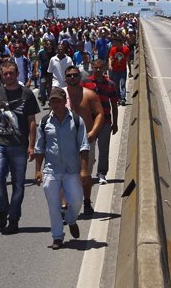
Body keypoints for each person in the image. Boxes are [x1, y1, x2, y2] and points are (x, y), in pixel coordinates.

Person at [0, 61, 39, 234]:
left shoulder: (26, 94)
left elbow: (32, 122)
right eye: (5, 74)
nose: (8, 76)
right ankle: (3, 208)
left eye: (11, 73)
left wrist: (31, 145)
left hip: (19, 146)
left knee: (18, 185)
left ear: (17, 73)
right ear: (1, 74)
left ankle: (14, 219)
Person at [34, 87, 91, 249]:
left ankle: (72, 219)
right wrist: (38, 170)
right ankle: (57, 237)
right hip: (52, 170)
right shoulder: (45, 122)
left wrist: (84, 169)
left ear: (64, 101)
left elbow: (84, 146)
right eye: (52, 101)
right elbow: (40, 148)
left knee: (76, 201)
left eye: (58, 101)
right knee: (53, 206)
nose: (55, 104)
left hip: (72, 170)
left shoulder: (76, 120)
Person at [62, 65, 104, 215]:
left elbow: (99, 113)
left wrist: (93, 132)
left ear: (80, 77)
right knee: (64, 173)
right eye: (69, 75)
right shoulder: (60, 95)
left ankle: (86, 202)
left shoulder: (89, 94)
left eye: (75, 75)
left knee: (86, 173)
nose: (72, 78)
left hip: (86, 141)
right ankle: (65, 204)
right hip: (65, 141)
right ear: (64, 78)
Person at [82, 59, 119, 185]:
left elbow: (114, 104)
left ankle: (102, 173)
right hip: (89, 122)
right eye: (95, 68)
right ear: (92, 68)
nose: (98, 70)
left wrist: (115, 122)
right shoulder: (85, 83)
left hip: (106, 122)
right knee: (87, 149)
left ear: (104, 69)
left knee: (104, 149)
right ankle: (86, 172)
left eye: (100, 68)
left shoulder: (110, 84)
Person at [108, 37, 130, 105]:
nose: (115, 44)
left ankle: (123, 98)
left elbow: (128, 60)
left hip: (123, 70)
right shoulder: (113, 49)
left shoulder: (126, 49)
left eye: (116, 42)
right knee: (116, 85)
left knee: (122, 84)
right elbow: (110, 58)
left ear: (120, 43)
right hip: (115, 70)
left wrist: (130, 70)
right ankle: (118, 98)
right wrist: (110, 65)